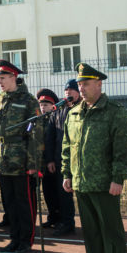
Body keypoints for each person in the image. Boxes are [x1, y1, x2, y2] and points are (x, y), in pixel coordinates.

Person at [61, 63, 127, 253]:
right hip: (81, 183)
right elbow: (67, 147)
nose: (81, 88)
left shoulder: (114, 111)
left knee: (111, 232)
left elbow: (123, 149)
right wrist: (67, 174)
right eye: (79, 84)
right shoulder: (73, 113)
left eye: (86, 84)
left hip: (105, 183)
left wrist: (118, 178)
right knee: (91, 233)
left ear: (99, 84)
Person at [0, 59, 42, 253]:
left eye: (3, 78)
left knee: (23, 201)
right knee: (9, 202)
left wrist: (34, 162)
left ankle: (26, 240)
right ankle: (14, 238)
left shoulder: (28, 100)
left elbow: (35, 132)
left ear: (14, 77)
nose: (0, 82)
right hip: (2, 158)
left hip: (21, 159)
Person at [45, 79, 79, 236]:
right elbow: (50, 137)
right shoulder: (58, 110)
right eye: (66, 91)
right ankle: (66, 222)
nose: (68, 93)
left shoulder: (83, 109)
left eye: (71, 90)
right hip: (61, 160)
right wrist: (50, 159)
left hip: (80, 160)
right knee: (63, 193)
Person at [37, 88, 61, 229]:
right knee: (47, 192)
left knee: (56, 191)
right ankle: (52, 216)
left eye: (46, 105)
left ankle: (60, 218)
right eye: (41, 105)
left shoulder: (56, 118)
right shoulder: (37, 120)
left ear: (53, 105)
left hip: (52, 161)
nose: (43, 107)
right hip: (41, 163)